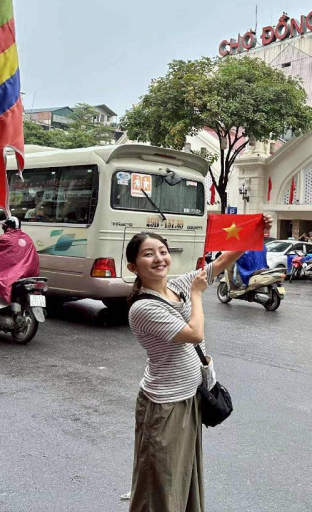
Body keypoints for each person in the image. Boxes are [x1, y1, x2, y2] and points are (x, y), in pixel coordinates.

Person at [125, 215, 273, 512]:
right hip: (164, 406)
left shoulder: (179, 284)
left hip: (190, 398)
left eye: (162, 251)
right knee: (160, 483)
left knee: (183, 476)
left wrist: (255, 232)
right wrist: (197, 295)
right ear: (133, 267)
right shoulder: (143, 307)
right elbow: (194, 333)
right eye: (148, 254)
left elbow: (221, 263)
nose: (159, 258)